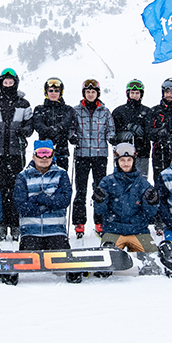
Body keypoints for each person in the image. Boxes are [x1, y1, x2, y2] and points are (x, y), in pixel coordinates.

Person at [0, 68, 33, 241]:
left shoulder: (23, 103)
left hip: (16, 152)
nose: (8, 85)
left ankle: (16, 223)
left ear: (16, 83)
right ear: (1, 83)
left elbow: (30, 124)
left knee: (16, 188)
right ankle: (2, 223)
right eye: (5, 82)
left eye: (11, 83)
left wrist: (24, 131)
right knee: (0, 189)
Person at [92, 142, 159, 253]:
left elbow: (150, 214)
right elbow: (100, 211)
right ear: (117, 162)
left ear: (134, 161)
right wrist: (99, 200)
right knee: (108, 258)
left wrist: (152, 202)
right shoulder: (107, 182)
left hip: (138, 230)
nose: (126, 164)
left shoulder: (143, 184)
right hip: (114, 230)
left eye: (129, 160)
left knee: (153, 257)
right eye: (122, 160)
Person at [72, 78, 115, 238]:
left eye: (93, 92)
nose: (91, 94)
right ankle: (79, 222)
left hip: (100, 155)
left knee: (99, 190)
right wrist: (73, 136)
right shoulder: (76, 110)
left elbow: (111, 129)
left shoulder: (104, 111)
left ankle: (100, 221)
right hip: (82, 154)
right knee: (81, 190)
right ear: (84, 93)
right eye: (88, 92)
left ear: (97, 93)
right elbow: (71, 128)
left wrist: (111, 138)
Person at [14, 139, 73, 251]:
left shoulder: (61, 174)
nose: (44, 158)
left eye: (48, 153)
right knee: (29, 265)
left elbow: (65, 200)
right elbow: (21, 206)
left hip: (56, 231)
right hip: (31, 232)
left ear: (52, 155)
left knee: (62, 265)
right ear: (34, 156)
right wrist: (47, 205)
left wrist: (39, 198)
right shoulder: (23, 176)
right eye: (41, 153)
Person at [31, 77, 78, 171]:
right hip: (43, 153)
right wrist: (48, 131)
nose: (53, 93)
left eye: (56, 91)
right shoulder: (39, 109)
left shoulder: (68, 109)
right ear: (46, 92)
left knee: (61, 181)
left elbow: (66, 123)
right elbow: (38, 124)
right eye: (51, 90)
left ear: (61, 92)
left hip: (61, 151)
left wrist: (57, 129)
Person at [112, 79, 153, 178]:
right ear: (128, 93)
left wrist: (141, 132)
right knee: (121, 182)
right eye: (132, 93)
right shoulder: (119, 112)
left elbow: (150, 131)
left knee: (141, 182)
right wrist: (125, 130)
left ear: (141, 94)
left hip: (142, 153)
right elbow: (112, 133)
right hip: (122, 155)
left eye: (137, 93)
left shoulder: (147, 111)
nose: (134, 95)